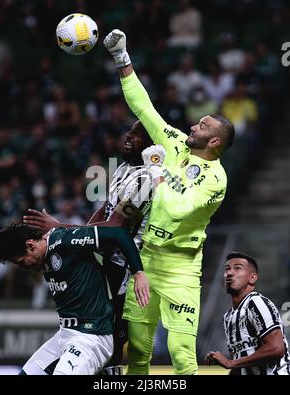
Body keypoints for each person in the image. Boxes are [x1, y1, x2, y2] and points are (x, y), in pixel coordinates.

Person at [103, 29, 235, 375]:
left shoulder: (215, 180)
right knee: (139, 353)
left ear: (215, 141)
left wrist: (157, 174)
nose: (193, 125)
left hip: (182, 268)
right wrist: (122, 58)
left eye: (202, 125)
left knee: (182, 357)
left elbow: (177, 209)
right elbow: (143, 108)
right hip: (145, 260)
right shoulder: (176, 142)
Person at [23, 120, 154, 374]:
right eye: (129, 131)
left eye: (138, 134)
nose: (129, 136)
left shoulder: (145, 180)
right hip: (102, 259)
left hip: (123, 267)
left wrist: (61, 226)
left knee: (116, 344)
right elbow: (104, 211)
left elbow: (116, 225)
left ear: (151, 144)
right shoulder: (122, 169)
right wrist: (80, 236)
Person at [0, 223, 149, 375]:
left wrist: (139, 272)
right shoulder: (46, 253)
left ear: (30, 245)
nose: (25, 266)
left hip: (91, 336)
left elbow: (118, 233)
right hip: (65, 335)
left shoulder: (66, 241)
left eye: (22, 262)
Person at [206, 252, 290, 375]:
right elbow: (240, 363)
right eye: (227, 269)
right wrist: (231, 364)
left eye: (237, 268)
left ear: (252, 278)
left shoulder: (256, 303)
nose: (229, 273)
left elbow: (276, 348)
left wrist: (231, 363)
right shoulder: (228, 317)